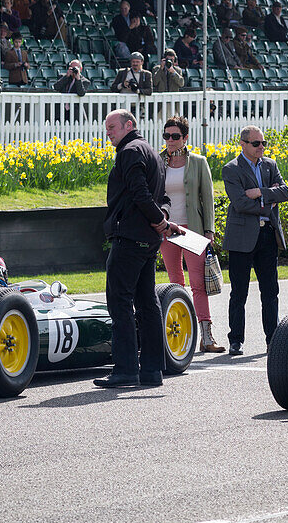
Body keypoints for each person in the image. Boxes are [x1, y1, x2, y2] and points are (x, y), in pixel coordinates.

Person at [95, 109, 170, 388]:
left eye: (112, 126)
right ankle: (152, 370)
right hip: (148, 240)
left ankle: (126, 368)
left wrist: (158, 220)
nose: (108, 132)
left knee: (120, 302)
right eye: (107, 128)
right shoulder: (152, 152)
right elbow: (162, 197)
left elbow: (140, 194)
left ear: (129, 125)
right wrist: (160, 219)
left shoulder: (129, 151)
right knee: (148, 303)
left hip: (130, 236)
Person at [158, 115, 224, 353]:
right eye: (167, 136)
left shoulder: (198, 162)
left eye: (175, 136)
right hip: (167, 230)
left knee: (198, 284)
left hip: (192, 230)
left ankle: (206, 336)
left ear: (185, 138)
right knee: (175, 284)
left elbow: (208, 199)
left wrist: (209, 231)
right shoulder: (158, 161)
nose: (170, 141)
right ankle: (180, 335)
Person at [222, 125, 288, 355]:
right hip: (242, 237)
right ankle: (236, 339)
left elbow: (285, 192)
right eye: (256, 143)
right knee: (239, 292)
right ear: (242, 144)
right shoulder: (231, 169)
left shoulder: (270, 165)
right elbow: (240, 204)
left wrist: (260, 192)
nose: (261, 147)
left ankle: (273, 338)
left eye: (263, 143)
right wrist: (268, 201)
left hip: (267, 235)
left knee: (270, 291)